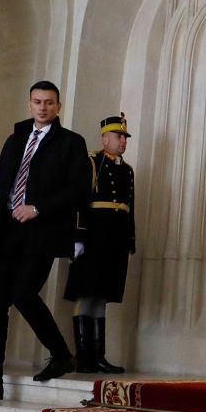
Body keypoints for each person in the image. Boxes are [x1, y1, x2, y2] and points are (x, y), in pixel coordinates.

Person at [0, 81, 92, 401]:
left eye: (49, 102)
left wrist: (38, 208)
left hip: (42, 231)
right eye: (37, 102)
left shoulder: (71, 143)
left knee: (23, 293)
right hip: (7, 231)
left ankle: (61, 353)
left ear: (59, 106)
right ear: (29, 104)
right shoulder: (15, 140)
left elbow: (80, 189)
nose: (42, 107)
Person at [65, 113, 136, 374]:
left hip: (114, 239)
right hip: (94, 236)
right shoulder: (92, 162)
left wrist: (130, 238)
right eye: (119, 136)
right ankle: (84, 357)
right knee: (86, 293)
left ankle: (99, 356)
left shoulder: (126, 170)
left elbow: (130, 207)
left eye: (125, 137)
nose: (123, 141)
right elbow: (81, 200)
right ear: (105, 138)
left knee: (102, 296)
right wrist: (78, 236)